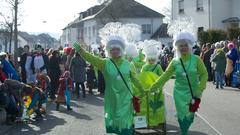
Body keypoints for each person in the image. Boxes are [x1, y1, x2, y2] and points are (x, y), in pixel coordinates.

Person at [74, 35, 144, 135]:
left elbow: (136, 80)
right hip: (112, 99)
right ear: (109, 50)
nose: (115, 51)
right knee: (116, 123)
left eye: (117, 49)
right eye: (112, 49)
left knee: (125, 124)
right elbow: (91, 58)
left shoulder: (129, 64)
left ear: (121, 49)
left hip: (126, 99)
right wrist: (81, 51)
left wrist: (143, 91)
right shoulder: (105, 63)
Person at [150, 32, 208, 135]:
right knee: (182, 116)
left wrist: (200, 89)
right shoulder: (175, 61)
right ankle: (184, 132)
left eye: (185, 45)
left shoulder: (196, 59)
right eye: (181, 46)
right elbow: (165, 76)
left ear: (189, 46)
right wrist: (155, 85)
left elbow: (204, 74)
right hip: (179, 94)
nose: (183, 48)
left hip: (193, 93)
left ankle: (185, 129)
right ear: (177, 47)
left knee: (190, 116)